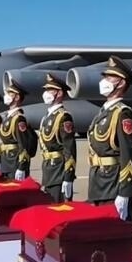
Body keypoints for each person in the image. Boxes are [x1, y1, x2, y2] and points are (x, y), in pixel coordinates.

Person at [87, 56, 132, 221]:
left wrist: (124, 193)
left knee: (115, 232)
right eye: (105, 77)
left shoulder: (123, 113)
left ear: (121, 83)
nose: (104, 81)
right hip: (98, 182)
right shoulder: (103, 112)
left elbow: (129, 155)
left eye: (110, 77)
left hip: (113, 184)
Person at [38, 73, 77, 203]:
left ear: (59, 93)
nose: (46, 93)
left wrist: (68, 177)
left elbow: (69, 148)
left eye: (50, 90)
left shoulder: (63, 117)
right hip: (49, 169)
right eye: (46, 89)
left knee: (58, 206)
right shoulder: (48, 117)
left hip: (59, 171)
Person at [0, 80, 37, 180]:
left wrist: (21, 167)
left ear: (17, 97)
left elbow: (24, 145)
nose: (6, 95)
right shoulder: (8, 118)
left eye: (10, 93)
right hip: (6, 163)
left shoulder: (19, 119)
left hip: (15, 163)